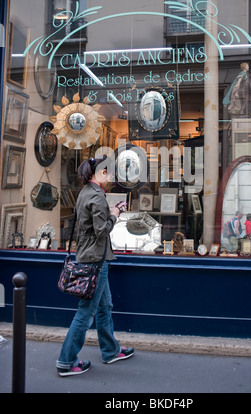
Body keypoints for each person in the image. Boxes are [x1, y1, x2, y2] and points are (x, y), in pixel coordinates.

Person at [56, 156, 134, 376]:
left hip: (90, 257)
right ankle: (66, 360)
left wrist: (108, 213)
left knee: (104, 306)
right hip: (95, 262)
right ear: (98, 173)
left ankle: (110, 350)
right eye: (107, 173)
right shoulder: (97, 196)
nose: (110, 177)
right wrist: (115, 215)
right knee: (85, 314)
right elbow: (102, 230)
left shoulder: (85, 193)